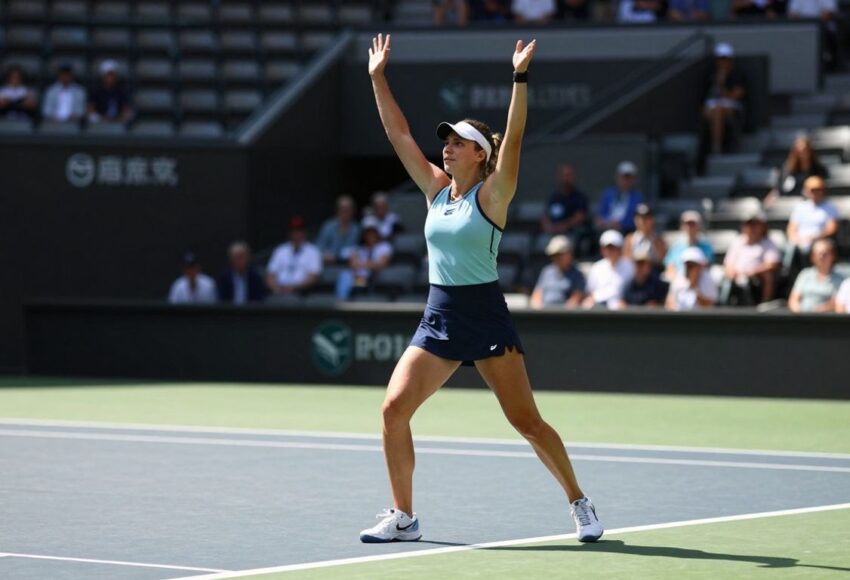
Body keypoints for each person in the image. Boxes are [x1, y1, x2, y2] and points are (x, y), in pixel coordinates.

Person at [361, 33, 603, 545]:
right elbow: (399, 135)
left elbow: (513, 139)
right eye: (445, 141)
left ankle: (579, 502)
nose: (446, 146)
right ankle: (404, 516)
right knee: (392, 410)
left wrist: (519, 77)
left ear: (479, 154)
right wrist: (377, 78)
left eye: (457, 142)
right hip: (440, 316)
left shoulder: (494, 194)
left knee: (528, 423)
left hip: (486, 317)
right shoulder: (433, 190)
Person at [721, 211, 780, 305]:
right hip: (736, 276)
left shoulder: (768, 242)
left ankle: (764, 304)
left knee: (768, 276)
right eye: (748, 224)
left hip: (756, 277)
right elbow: (728, 263)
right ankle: (724, 307)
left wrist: (753, 271)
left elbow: (772, 264)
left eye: (754, 225)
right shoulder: (737, 241)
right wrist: (732, 273)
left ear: (762, 226)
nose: (751, 228)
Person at [701, 43, 746, 157]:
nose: (723, 63)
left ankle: (716, 147)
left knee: (718, 112)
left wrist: (721, 83)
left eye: (725, 59)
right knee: (715, 111)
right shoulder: (709, 74)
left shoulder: (737, 74)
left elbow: (736, 95)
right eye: (720, 59)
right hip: (712, 105)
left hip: (731, 106)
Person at [785, 176, 839, 264]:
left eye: (817, 190)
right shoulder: (800, 207)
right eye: (811, 190)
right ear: (806, 191)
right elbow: (791, 229)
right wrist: (796, 239)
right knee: (789, 248)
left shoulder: (830, 207)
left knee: (820, 249)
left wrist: (814, 237)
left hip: (819, 239)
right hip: (800, 241)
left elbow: (831, 229)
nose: (815, 193)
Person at [266, 216, 322, 296]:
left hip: (300, 294)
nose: (296, 234)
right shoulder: (280, 250)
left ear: (304, 232)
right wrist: (276, 289)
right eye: (293, 231)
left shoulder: (313, 251)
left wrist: (293, 288)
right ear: (289, 233)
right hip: (279, 292)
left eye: (299, 231)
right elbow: (270, 275)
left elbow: (313, 278)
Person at [540, 164, 591, 251]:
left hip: (570, 232)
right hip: (552, 232)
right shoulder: (553, 197)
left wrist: (563, 226)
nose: (566, 178)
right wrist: (549, 227)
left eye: (569, 175)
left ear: (573, 177)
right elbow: (545, 216)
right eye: (564, 175)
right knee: (542, 241)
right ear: (559, 177)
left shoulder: (579, 197)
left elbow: (580, 217)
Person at [335, 225, 394, 300]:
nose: (370, 236)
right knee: (345, 276)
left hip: (372, 279)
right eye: (368, 234)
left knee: (353, 281)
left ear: (377, 234)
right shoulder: (360, 249)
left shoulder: (384, 247)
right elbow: (352, 264)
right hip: (358, 279)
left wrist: (361, 264)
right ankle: (341, 302)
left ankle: (344, 300)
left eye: (373, 234)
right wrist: (368, 264)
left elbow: (383, 264)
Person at [765, 136, 828, 204]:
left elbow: (821, 184)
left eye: (806, 151)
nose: (803, 155)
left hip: (810, 202)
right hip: (790, 201)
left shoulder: (817, 168)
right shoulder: (787, 169)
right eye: (800, 152)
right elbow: (780, 187)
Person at [582, 229, 635, 310]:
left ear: (620, 248)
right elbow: (589, 292)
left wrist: (625, 302)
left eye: (613, 248)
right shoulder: (597, 267)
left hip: (620, 309)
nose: (610, 251)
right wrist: (590, 300)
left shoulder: (630, 266)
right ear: (602, 250)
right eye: (607, 248)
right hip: (597, 306)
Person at [530, 235, 586, 308]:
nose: (556, 258)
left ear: (569, 253)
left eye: (559, 254)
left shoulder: (577, 274)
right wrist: (538, 309)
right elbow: (537, 294)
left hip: (563, 315)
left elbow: (575, 299)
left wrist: (560, 315)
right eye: (554, 255)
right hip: (543, 314)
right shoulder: (547, 271)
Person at [788, 239, 843, 313]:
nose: (821, 256)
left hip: (826, 320)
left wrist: (816, 312)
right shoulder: (805, 274)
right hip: (801, 318)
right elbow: (793, 300)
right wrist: (799, 314)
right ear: (812, 256)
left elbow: (836, 303)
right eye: (817, 253)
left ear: (833, 256)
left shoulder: (840, 279)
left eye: (825, 253)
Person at [595, 161, 644, 234]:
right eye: (623, 177)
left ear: (633, 180)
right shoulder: (608, 193)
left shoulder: (638, 197)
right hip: (606, 229)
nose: (625, 181)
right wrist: (604, 221)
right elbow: (601, 213)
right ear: (617, 177)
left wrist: (620, 223)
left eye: (628, 178)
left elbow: (636, 219)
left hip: (625, 231)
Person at [664, 210, 715, 280]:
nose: (689, 228)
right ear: (682, 226)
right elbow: (670, 266)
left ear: (698, 226)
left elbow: (707, 265)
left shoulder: (706, 245)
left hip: (700, 280)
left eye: (692, 224)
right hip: (679, 280)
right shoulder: (676, 246)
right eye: (687, 224)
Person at [665, 247, 717, 311]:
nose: (689, 268)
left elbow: (710, 305)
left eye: (692, 265)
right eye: (688, 265)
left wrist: (695, 290)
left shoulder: (707, 278)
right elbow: (669, 303)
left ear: (700, 265)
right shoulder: (679, 278)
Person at [316, 195, 361, 265]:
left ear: (353, 211)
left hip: (349, 266)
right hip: (329, 265)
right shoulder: (328, 226)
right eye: (343, 210)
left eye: (348, 210)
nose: (345, 213)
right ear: (337, 211)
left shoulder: (356, 228)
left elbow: (362, 249)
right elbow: (318, 249)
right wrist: (325, 255)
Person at [87, 60, 132, 125]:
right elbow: (90, 111)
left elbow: (126, 110)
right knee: (92, 117)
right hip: (100, 122)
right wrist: (103, 119)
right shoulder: (96, 92)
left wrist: (117, 119)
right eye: (108, 75)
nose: (110, 78)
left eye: (112, 75)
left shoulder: (122, 91)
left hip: (118, 122)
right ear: (102, 76)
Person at [623, 204, 667, 269]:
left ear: (652, 220)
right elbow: (626, 260)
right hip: (634, 272)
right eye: (640, 218)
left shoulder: (658, 240)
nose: (643, 221)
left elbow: (662, 260)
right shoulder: (630, 239)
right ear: (635, 220)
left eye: (646, 218)